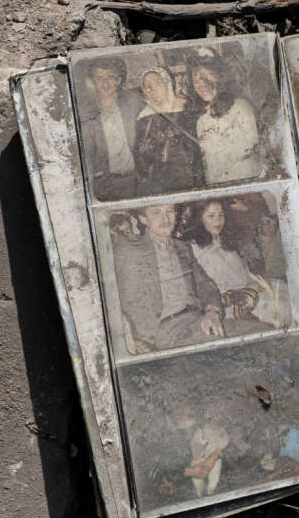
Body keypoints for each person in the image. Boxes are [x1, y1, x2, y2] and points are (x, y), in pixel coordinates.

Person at [111, 203, 229, 352]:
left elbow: (206, 285)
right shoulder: (129, 249)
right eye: (156, 213)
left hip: (198, 320)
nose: (165, 218)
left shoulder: (183, 247)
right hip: (164, 330)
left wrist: (212, 312)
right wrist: (131, 338)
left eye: (169, 211)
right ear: (143, 219)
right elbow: (112, 294)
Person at [185, 199, 289, 328]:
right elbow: (210, 288)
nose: (218, 221)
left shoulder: (223, 239)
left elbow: (243, 270)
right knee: (283, 309)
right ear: (200, 219)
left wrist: (259, 281)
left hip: (252, 290)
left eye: (221, 215)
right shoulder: (195, 249)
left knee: (286, 290)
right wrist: (247, 289)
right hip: (235, 304)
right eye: (211, 216)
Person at [189, 52, 262, 183]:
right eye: (195, 81)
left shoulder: (240, 106)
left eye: (207, 76)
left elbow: (254, 146)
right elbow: (208, 165)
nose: (201, 85)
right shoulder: (202, 120)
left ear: (219, 77)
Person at [77, 58, 141, 199]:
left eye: (110, 78)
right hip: (104, 184)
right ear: (92, 81)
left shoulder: (132, 103)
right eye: (99, 78)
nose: (105, 84)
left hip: (134, 180)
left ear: (118, 81)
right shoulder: (85, 111)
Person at [134, 67, 204, 194]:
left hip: (193, 176)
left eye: (156, 83)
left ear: (168, 84)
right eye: (146, 86)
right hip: (162, 183)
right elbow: (141, 158)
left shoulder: (187, 108)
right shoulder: (144, 117)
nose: (151, 90)